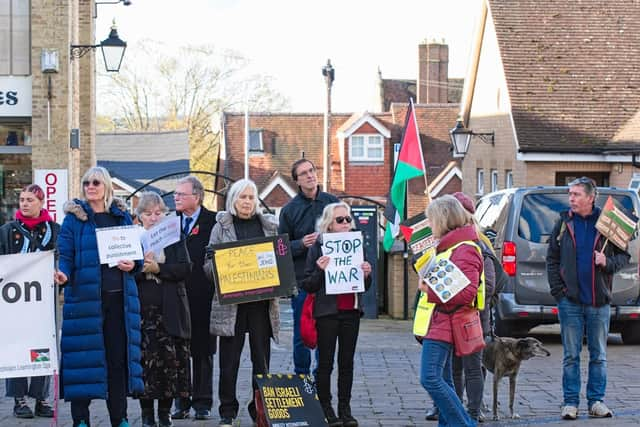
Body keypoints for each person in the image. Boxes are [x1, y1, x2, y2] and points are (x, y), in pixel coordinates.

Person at [54, 166, 144, 427]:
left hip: (120, 301)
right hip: (84, 301)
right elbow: (66, 255)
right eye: (86, 183)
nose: (90, 187)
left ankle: (121, 417)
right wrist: (62, 274)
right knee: (82, 359)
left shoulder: (121, 217)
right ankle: (81, 419)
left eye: (95, 182)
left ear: (106, 186)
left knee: (117, 360)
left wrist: (134, 265)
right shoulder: (74, 219)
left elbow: (136, 255)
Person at [547, 177, 629, 420]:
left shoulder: (607, 223)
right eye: (570, 194)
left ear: (591, 198)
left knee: (598, 355)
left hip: (598, 302)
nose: (571, 198)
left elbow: (624, 256)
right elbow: (551, 259)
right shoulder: (563, 222)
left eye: (576, 194)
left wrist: (607, 262)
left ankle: (596, 401)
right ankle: (570, 402)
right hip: (569, 301)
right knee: (571, 355)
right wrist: (558, 293)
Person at [203, 179, 281, 427]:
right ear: (233, 199)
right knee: (229, 361)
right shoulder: (221, 226)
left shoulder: (269, 226)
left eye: (251, 197)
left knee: (262, 360)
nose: (247, 202)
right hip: (231, 306)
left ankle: (259, 409)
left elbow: (279, 261)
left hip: (260, 304)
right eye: (242, 197)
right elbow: (207, 266)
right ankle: (227, 410)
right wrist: (219, 266)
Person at [301, 202, 372, 427]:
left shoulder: (356, 244)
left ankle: (345, 409)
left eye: (347, 219)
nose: (345, 224)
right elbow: (308, 284)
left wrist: (367, 274)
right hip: (327, 312)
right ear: (329, 225)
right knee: (325, 363)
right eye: (339, 220)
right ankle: (326, 408)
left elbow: (365, 285)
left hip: (350, 310)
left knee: (347, 363)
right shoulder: (319, 246)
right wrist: (321, 270)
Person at [417, 195, 482, 427]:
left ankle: (465, 424)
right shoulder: (451, 246)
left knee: (430, 378)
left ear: (443, 220)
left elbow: (467, 293)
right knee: (443, 379)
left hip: (447, 323)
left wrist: (429, 289)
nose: (429, 225)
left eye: (431, 220)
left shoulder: (465, 249)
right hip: (440, 321)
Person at [134, 192, 193, 427]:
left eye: (158, 213)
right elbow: (124, 272)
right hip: (143, 311)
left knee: (170, 363)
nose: (153, 218)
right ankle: (147, 414)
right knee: (145, 364)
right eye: (148, 213)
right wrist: (141, 267)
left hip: (170, 308)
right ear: (140, 217)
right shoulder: (133, 238)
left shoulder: (176, 237)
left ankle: (165, 413)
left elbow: (186, 268)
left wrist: (159, 267)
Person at [0, 184, 57, 419]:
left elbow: (63, 258)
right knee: (17, 347)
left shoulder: (55, 230)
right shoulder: (6, 231)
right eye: (22, 199)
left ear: (41, 202)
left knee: (43, 347)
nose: (24, 203)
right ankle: (18, 398)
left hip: (43, 299)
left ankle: (42, 398)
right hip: (15, 301)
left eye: (30, 199)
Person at [278, 159, 339, 375]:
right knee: (302, 333)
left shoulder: (332, 203)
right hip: (303, 281)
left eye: (312, 170)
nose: (310, 175)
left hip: (330, 281)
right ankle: (302, 380)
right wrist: (301, 244)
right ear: (297, 181)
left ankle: (321, 380)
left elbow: (348, 232)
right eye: (303, 173)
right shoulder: (289, 210)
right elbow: (281, 248)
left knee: (327, 333)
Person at [171, 175, 217, 421]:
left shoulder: (214, 222)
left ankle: (202, 402)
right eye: (175, 194)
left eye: (181, 194)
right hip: (177, 295)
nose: (176, 198)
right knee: (179, 351)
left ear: (196, 197)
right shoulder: (170, 222)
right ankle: (181, 401)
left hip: (204, 295)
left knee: (203, 351)